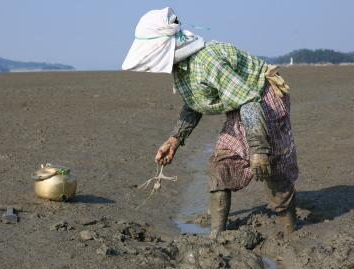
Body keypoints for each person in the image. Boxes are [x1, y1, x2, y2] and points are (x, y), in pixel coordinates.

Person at [122, 7, 298, 239]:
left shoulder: (208, 62)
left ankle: (290, 231)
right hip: (241, 102)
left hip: (262, 97)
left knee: (271, 165)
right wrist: (174, 140)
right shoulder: (182, 67)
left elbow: (249, 101)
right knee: (220, 162)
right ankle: (217, 233)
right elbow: (196, 102)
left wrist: (259, 150)